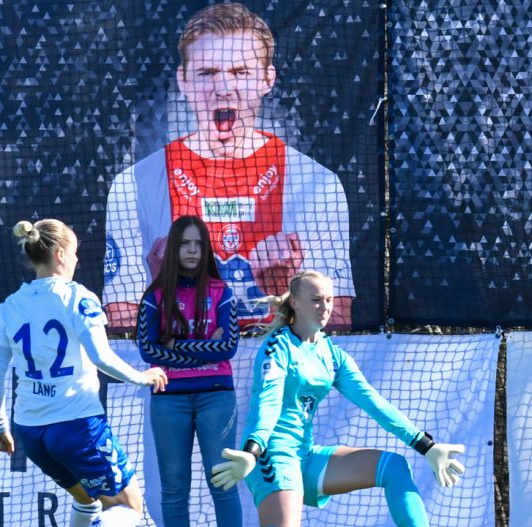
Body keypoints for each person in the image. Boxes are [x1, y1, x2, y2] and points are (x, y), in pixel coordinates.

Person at [147, 269, 485, 527]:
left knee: (394, 467)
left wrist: (425, 445)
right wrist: (252, 450)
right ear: (295, 303)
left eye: (329, 300)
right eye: (316, 300)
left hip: (304, 455)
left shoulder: (331, 353)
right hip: (271, 453)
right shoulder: (277, 346)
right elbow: (267, 402)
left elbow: (373, 401)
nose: (325, 307)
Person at [103, 2, 354, 332]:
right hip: (181, 363)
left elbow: (338, 324)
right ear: (183, 80)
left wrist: (283, 290)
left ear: (267, 79)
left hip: (277, 362)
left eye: (240, 72)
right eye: (207, 73)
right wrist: (165, 287)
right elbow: (121, 326)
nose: (223, 89)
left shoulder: (316, 184)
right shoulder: (135, 184)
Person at [0, 218, 168, 527]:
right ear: (60, 254)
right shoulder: (76, 297)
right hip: (77, 424)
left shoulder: (8, 307)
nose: (78, 259)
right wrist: (142, 376)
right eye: (75, 252)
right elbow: (101, 356)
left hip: (32, 432)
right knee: (129, 506)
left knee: (86, 498)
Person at [138, 215, 243, 527]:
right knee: (174, 485)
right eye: (185, 243)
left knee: (222, 479)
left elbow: (227, 347)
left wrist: (176, 345)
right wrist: (202, 346)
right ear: (173, 248)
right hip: (168, 399)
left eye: (199, 244)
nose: (193, 250)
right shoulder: (154, 297)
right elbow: (148, 351)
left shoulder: (222, 292)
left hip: (216, 394)